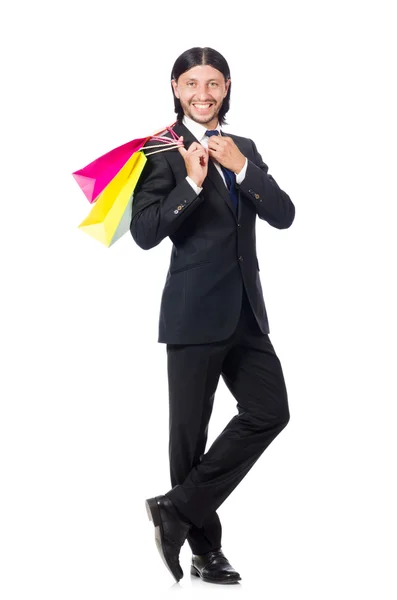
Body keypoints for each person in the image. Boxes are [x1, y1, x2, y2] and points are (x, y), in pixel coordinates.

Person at [129, 47, 295, 585]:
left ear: (227, 88)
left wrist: (240, 168)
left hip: (247, 311)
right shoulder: (158, 149)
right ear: (176, 87)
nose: (204, 93)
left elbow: (284, 215)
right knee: (189, 436)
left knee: (270, 411)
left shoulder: (241, 147)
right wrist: (193, 183)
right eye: (193, 83)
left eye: (215, 83)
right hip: (193, 311)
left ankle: (175, 510)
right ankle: (206, 550)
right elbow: (146, 233)